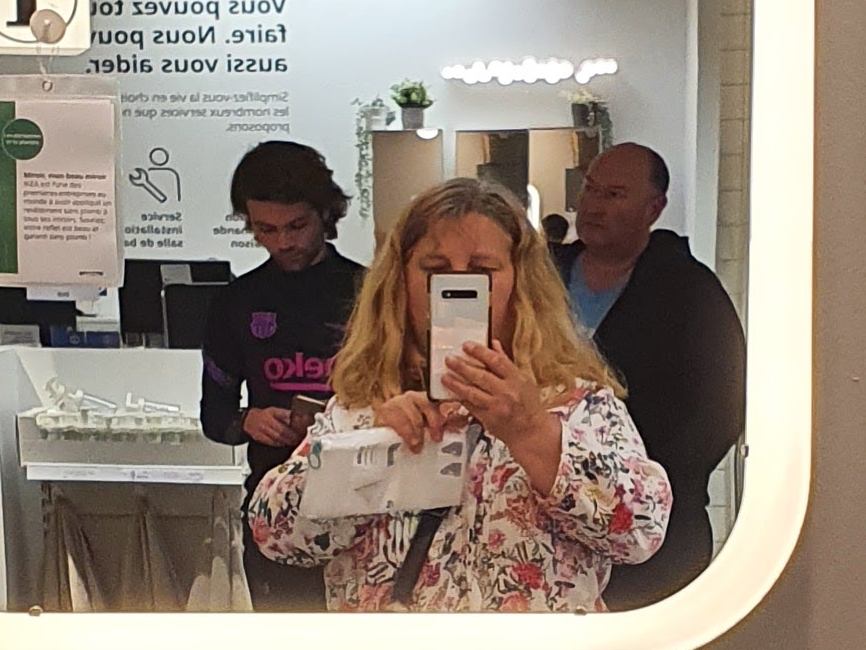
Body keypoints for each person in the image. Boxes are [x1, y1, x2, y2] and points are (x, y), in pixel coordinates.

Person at [249, 176, 667, 613]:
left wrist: (533, 433)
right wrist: (371, 449)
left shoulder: (577, 404)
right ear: (401, 281)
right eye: (435, 269)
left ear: (520, 282)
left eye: (483, 271)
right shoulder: (363, 406)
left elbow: (642, 531)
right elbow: (274, 535)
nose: (458, 286)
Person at [555, 143, 747, 606]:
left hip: (655, 529)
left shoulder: (689, 290)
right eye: (590, 189)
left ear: (653, 208)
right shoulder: (544, 276)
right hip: (550, 520)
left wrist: (652, 479)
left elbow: (723, 405)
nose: (594, 206)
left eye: (614, 194)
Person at [197, 141, 364, 611]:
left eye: (296, 226)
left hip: (364, 505)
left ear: (324, 213)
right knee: (287, 645)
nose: (284, 243)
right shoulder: (235, 303)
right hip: (275, 509)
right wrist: (248, 420)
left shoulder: (370, 293)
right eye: (265, 230)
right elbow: (214, 415)